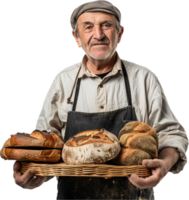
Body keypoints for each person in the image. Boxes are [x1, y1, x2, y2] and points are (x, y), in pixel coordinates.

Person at [12, 0, 188, 199]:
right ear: (76, 38)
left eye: (106, 25)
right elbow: (46, 145)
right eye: (88, 27)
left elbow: (172, 134)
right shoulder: (63, 81)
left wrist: (165, 164)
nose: (98, 35)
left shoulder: (144, 79)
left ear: (120, 34)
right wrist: (37, 174)